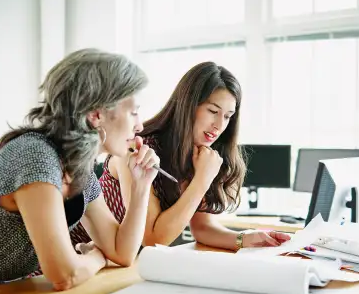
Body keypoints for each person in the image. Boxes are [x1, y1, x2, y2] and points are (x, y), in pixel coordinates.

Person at [0, 48, 159, 294]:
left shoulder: (79, 170)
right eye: (134, 112)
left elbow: (122, 252)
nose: (139, 126)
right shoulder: (36, 157)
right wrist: (95, 257)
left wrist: (141, 187)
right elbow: (65, 274)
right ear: (96, 115)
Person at [71, 62, 291, 253]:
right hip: (81, 255)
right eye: (212, 111)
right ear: (189, 105)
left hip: (125, 264)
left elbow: (203, 227)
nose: (219, 125)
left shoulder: (202, 156)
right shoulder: (139, 149)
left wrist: (245, 239)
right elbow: (152, 239)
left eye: (228, 116)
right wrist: (202, 180)